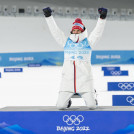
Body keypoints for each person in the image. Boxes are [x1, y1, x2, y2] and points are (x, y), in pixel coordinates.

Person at [43, 7, 107, 110]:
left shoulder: (88, 43)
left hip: (85, 81)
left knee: (92, 106)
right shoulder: (66, 42)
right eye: (74, 30)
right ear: (72, 31)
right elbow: (55, 32)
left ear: (82, 31)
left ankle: (92, 95)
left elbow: (97, 33)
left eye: (78, 30)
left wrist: (102, 18)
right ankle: (68, 100)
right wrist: (48, 17)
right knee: (60, 106)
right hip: (67, 81)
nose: (76, 31)